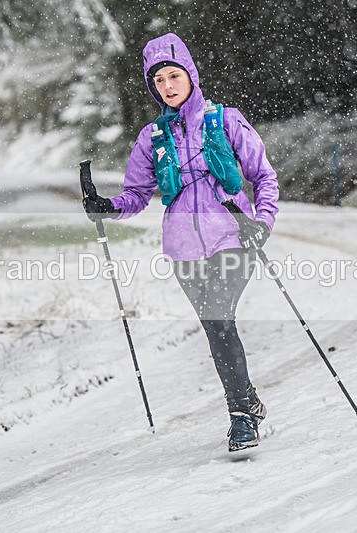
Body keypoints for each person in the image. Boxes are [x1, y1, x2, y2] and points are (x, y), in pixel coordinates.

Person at [83, 33, 279, 452]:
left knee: (220, 318)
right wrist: (107, 206)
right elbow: (135, 196)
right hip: (181, 247)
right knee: (216, 326)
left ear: (190, 75)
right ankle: (248, 399)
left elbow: (264, 177)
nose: (167, 86)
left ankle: (241, 418)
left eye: (174, 75)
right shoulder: (151, 137)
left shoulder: (225, 120)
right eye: (158, 81)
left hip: (233, 235)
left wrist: (263, 222)